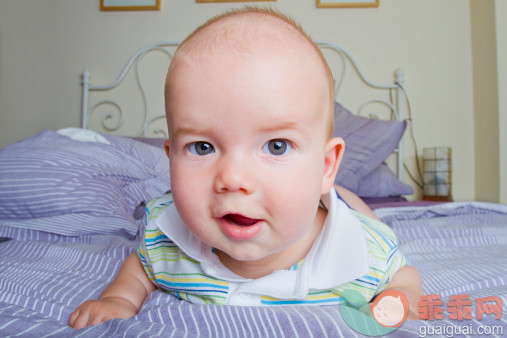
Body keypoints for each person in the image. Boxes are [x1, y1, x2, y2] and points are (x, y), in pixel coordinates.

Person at [69, 7, 422, 330]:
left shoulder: (362, 252)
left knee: (350, 205)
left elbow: (404, 274)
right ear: (171, 156)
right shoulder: (165, 238)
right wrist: (119, 297)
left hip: (339, 204)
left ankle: (338, 195)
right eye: (202, 147)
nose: (233, 179)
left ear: (326, 166)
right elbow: (143, 267)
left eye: (276, 146)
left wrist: (401, 297)